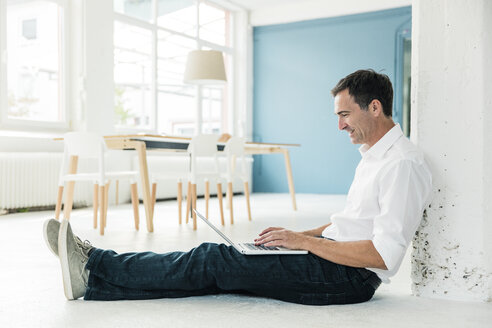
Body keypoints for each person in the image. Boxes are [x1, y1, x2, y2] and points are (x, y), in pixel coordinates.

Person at [44, 69, 432, 305]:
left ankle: (95, 263)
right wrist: (298, 234)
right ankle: (93, 282)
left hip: (348, 278)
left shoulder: (403, 164)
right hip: (331, 258)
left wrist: (308, 244)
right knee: (219, 266)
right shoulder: (375, 156)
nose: (339, 126)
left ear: (375, 107)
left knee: (214, 260)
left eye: (345, 114)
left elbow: (383, 255)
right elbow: (351, 225)